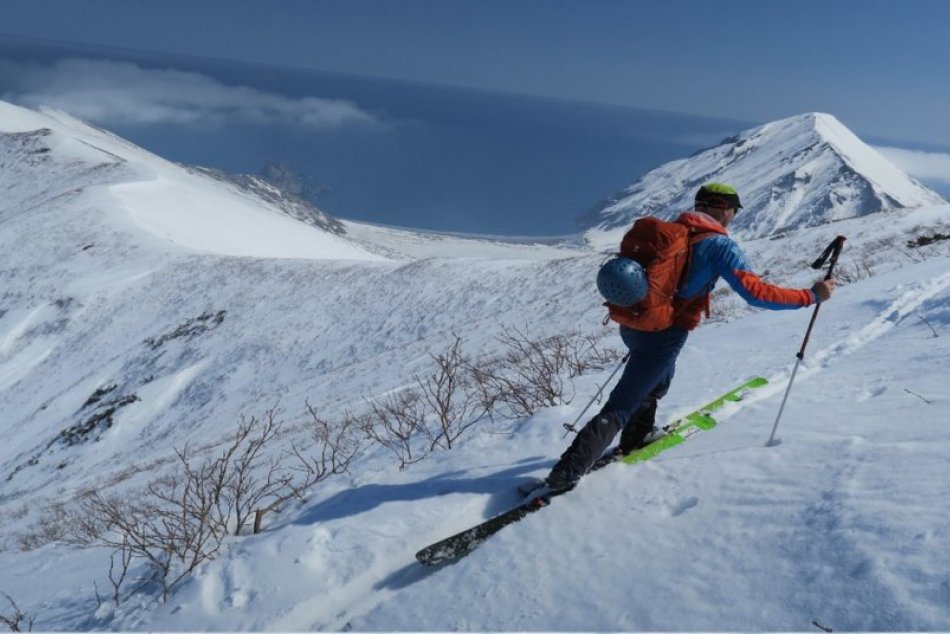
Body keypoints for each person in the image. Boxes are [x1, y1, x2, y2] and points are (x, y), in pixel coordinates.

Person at [546, 183, 837, 491]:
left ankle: (638, 435)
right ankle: (567, 471)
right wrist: (811, 295)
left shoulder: (671, 232)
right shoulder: (720, 245)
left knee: (658, 380)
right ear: (724, 210)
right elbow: (756, 294)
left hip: (633, 322)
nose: (733, 217)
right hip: (664, 331)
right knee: (622, 403)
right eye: (734, 211)